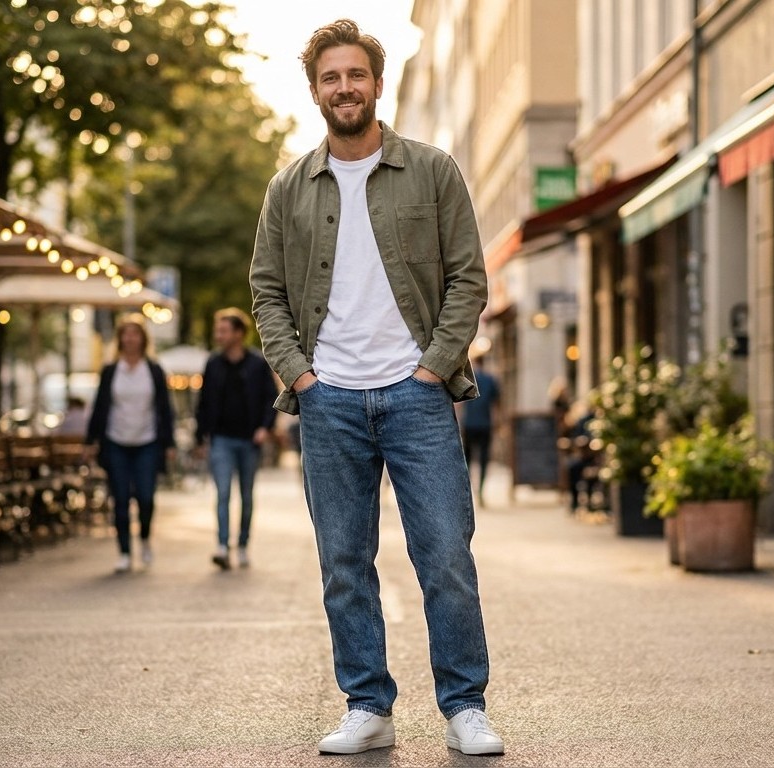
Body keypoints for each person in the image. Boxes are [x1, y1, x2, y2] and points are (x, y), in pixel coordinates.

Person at [249, 19, 503, 757]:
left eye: (354, 74)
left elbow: (467, 278)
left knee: (446, 556)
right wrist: (299, 373)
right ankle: (368, 704)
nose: (344, 88)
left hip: (417, 395)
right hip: (327, 401)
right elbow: (265, 291)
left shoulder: (431, 170)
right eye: (330, 77)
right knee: (343, 564)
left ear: (376, 82)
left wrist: (431, 366)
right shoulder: (288, 187)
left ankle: (464, 706)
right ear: (315, 91)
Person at [84, 319, 174, 573]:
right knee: (120, 499)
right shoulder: (111, 370)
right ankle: (124, 552)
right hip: (116, 442)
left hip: (147, 442)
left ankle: (144, 538)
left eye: (135, 334)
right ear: (120, 339)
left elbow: (165, 409)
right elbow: (100, 407)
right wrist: (91, 441)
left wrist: (168, 443)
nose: (131, 339)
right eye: (126, 334)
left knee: (146, 497)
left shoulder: (153, 370)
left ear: (143, 339)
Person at [194, 307, 278, 571]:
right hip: (221, 439)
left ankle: (242, 545)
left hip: (250, 440)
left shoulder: (257, 363)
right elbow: (204, 401)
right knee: (222, 493)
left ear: (239, 333)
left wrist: (265, 427)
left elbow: (270, 398)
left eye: (223, 330)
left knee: (246, 495)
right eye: (217, 330)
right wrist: (200, 436)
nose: (219, 335)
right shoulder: (213, 363)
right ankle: (222, 545)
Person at [459, 356, 499, 504]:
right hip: (485, 424)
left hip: (469, 424)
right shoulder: (491, 380)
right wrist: (496, 423)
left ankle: (468, 492)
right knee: (483, 459)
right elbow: (495, 405)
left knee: (467, 459)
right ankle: (481, 491)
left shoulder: (467, 379)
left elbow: (460, 403)